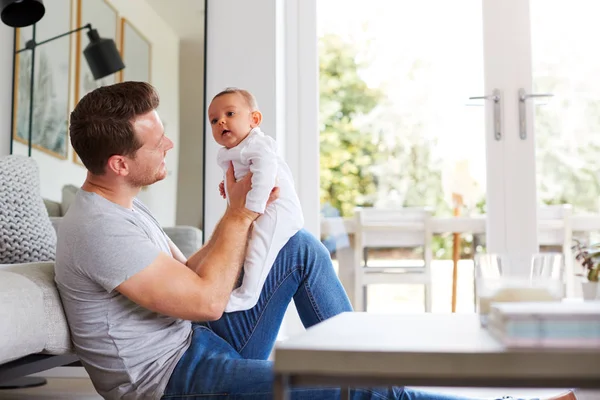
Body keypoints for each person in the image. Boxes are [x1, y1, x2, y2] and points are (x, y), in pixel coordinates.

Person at [54, 81, 576, 400]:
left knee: (300, 246)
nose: (170, 142)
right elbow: (209, 302)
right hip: (171, 381)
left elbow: (188, 279)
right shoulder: (99, 228)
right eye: (156, 139)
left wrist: (240, 216)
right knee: (361, 393)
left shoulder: (122, 205)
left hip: (195, 342)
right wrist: (242, 212)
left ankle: (352, 357)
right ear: (119, 163)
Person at [209, 87, 304, 312]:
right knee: (244, 246)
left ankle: (247, 296)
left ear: (254, 119)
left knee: (259, 248)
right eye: (214, 120)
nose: (221, 122)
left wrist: (251, 209)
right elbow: (239, 175)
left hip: (276, 209)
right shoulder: (230, 151)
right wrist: (227, 186)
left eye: (230, 114)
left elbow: (265, 176)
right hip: (256, 209)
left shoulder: (258, 145)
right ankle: (235, 283)